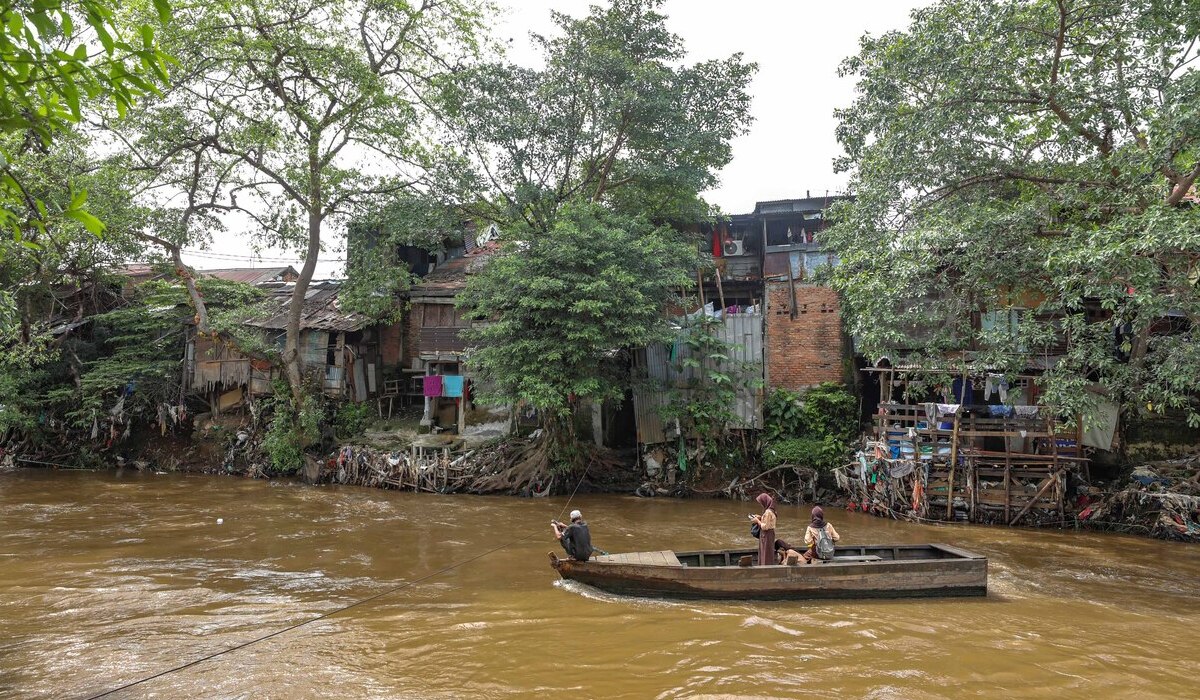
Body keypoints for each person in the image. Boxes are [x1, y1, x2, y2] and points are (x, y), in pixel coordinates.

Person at [751, 493, 777, 566]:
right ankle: (764, 566)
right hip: (768, 534)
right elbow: (768, 522)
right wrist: (760, 517)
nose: (761, 505)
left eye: (761, 503)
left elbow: (765, 526)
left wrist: (757, 521)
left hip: (766, 535)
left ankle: (765, 567)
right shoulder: (771, 510)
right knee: (766, 552)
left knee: (766, 552)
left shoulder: (768, 512)